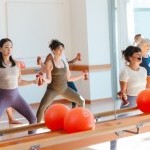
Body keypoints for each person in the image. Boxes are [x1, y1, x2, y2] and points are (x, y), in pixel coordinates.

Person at [36, 39, 86, 123]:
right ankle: (33, 130)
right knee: (42, 108)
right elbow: (49, 79)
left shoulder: (65, 63)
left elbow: (69, 78)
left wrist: (81, 76)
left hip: (64, 89)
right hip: (52, 90)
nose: (61, 51)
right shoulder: (49, 63)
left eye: (62, 49)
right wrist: (43, 78)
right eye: (59, 49)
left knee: (81, 101)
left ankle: (80, 121)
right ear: (54, 50)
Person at [111, 45, 147, 150]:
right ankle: (113, 148)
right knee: (117, 125)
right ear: (130, 58)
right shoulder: (125, 71)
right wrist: (123, 95)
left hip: (143, 100)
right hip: (131, 100)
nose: (140, 56)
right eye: (137, 54)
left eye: (141, 54)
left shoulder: (143, 70)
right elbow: (123, 91)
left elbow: (146, 86)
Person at [0, 38, 38, 134]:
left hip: (16, 97)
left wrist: (34, 81)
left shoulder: (17, 64)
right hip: (2, 97)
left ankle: (30, 145)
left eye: (11, 47)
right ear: (0, 49)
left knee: (33, 119)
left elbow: (20, 82)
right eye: (6, 47)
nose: (9, 50)